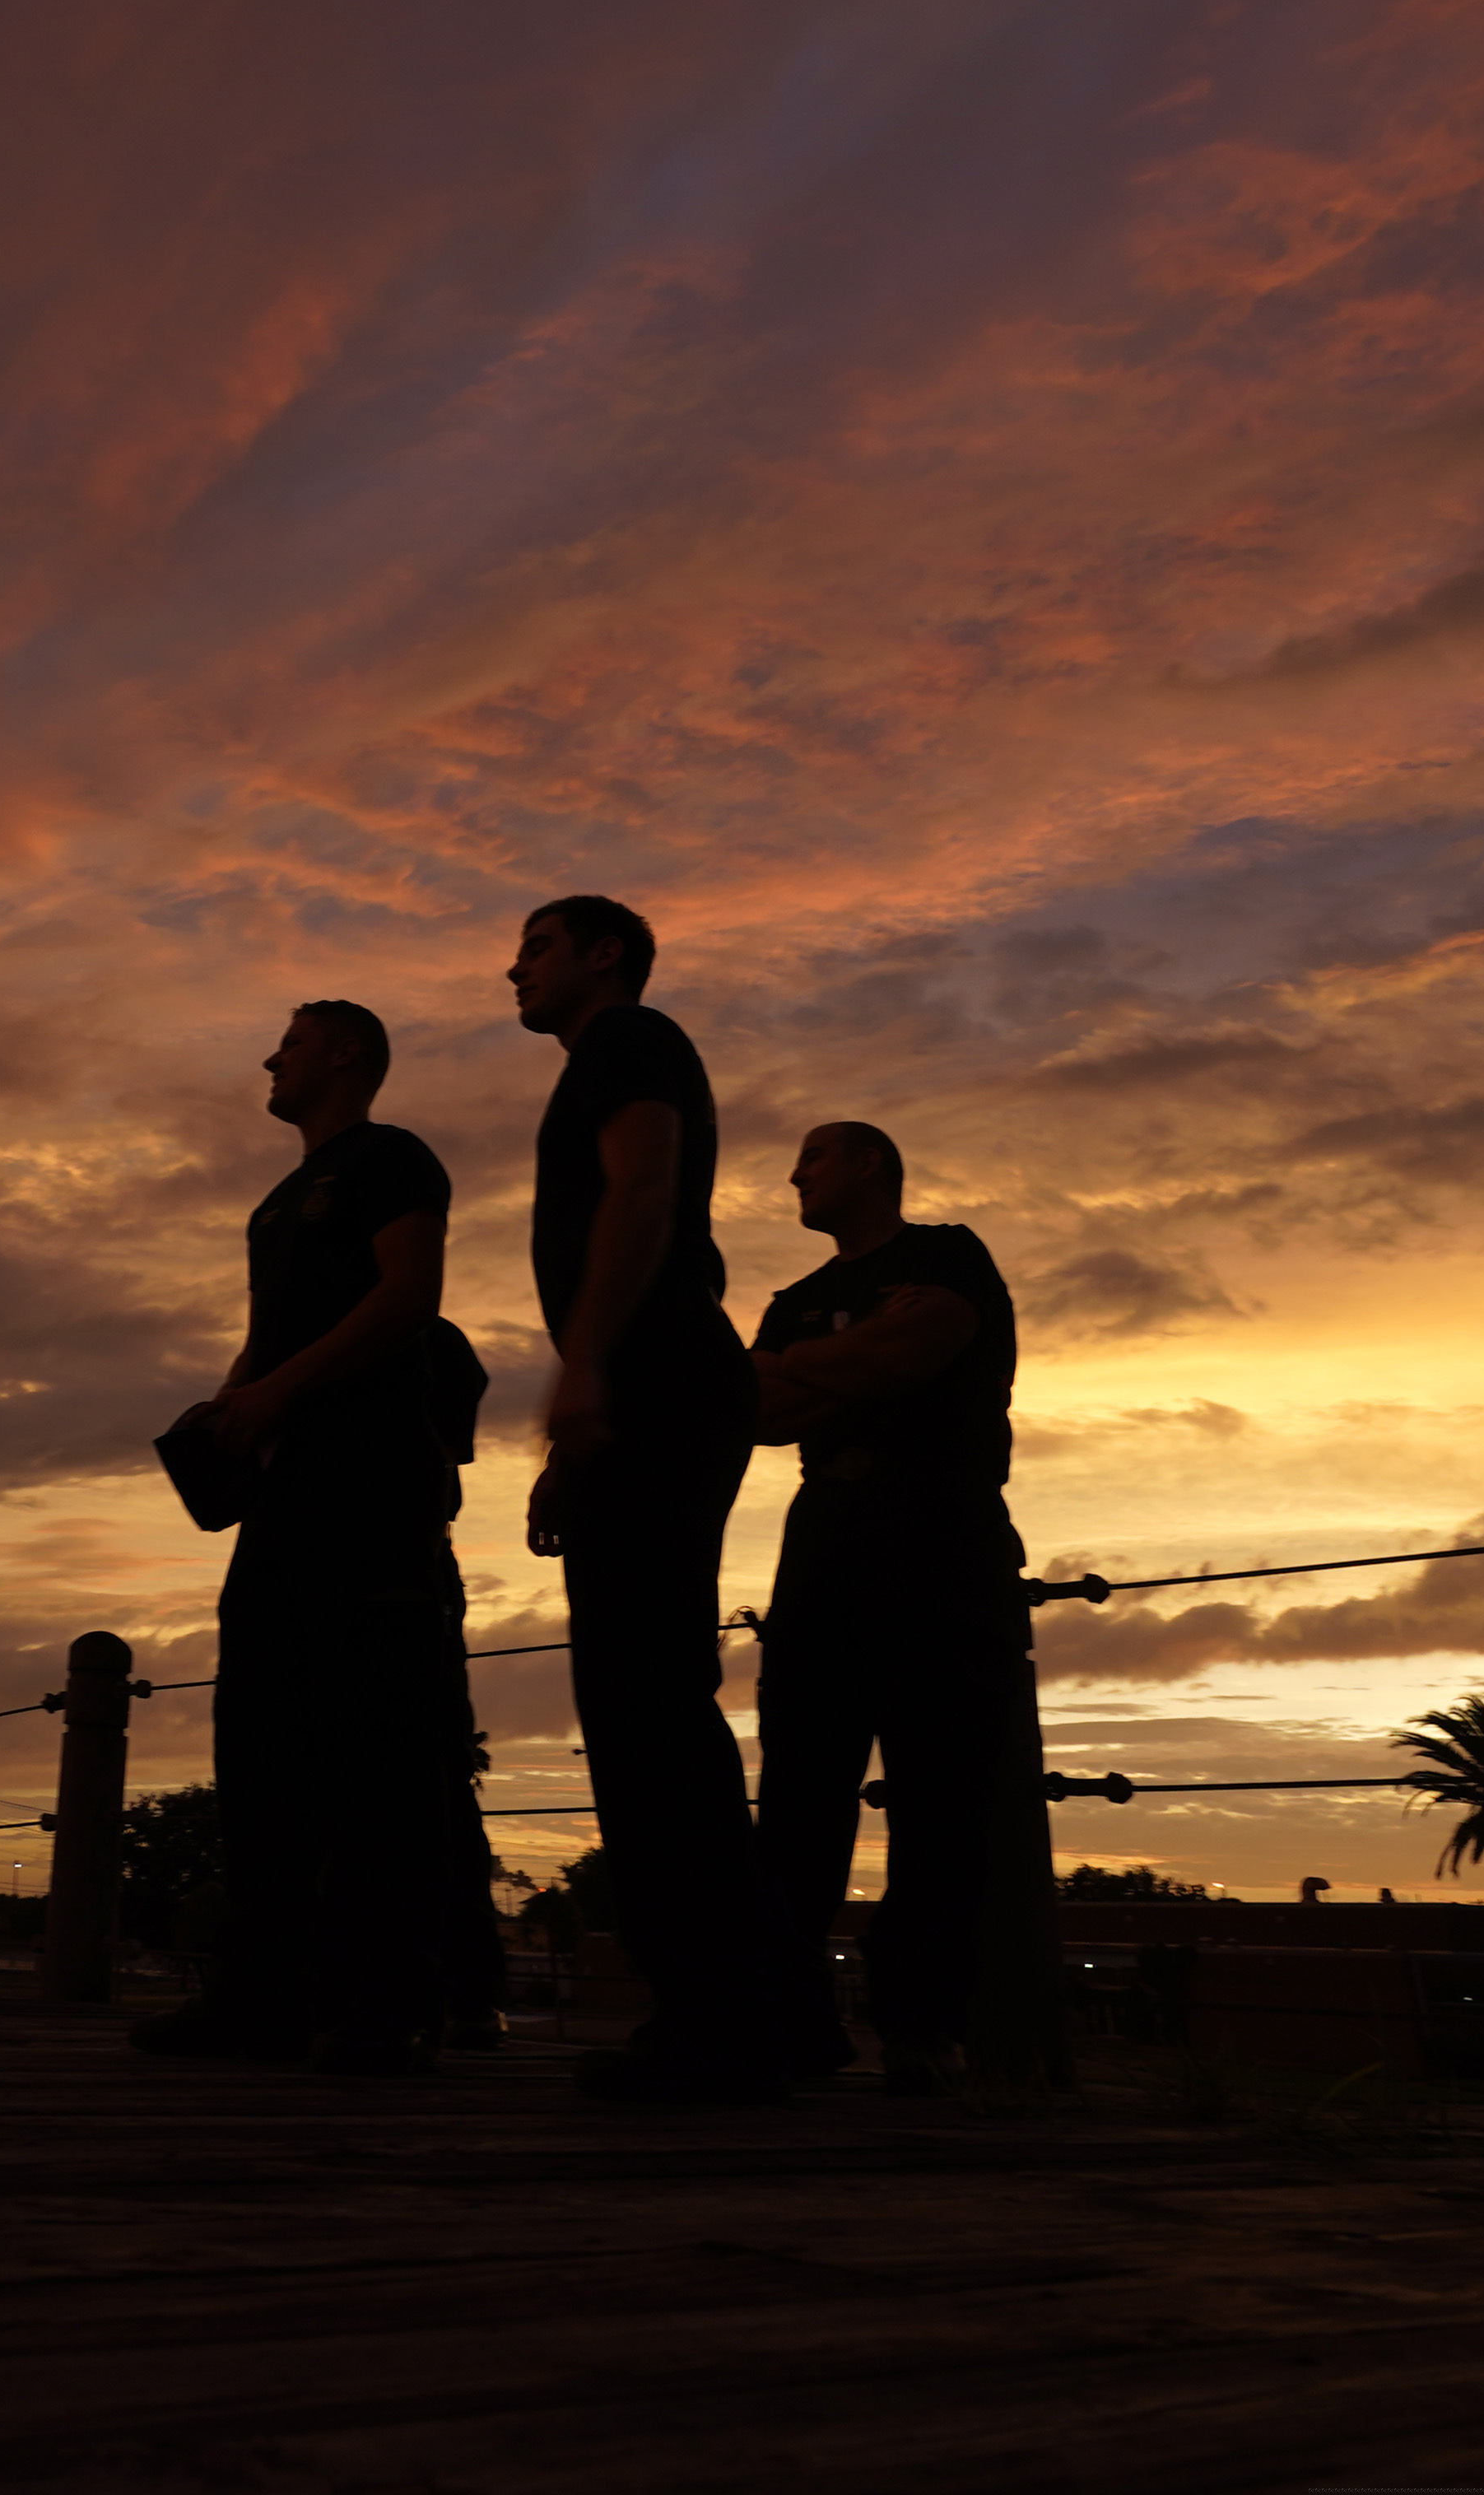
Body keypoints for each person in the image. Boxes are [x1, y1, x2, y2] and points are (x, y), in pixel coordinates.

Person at [135, 1000, 481, 2075]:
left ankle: (389, 2004)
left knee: (379, 1738)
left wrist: (279, 1390)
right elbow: (265, 1336)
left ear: (343, 1054)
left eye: (286, 1040)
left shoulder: (390, 1159)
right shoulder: (275, 1205)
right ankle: (262, 1995)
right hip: (285, 1493)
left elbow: (411, 1297)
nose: (269, 1057)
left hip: (374, 1478)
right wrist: (230, 1405)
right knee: (260, 1734)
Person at [511, 894, 795, 2102]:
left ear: (603, 954)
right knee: (642, 1699)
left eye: (535, 947)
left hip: (663, 1380)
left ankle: (725, 2027)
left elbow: (643, 1196)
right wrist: (573, 1444)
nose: (512, 969)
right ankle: (746, 2013)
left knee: (647, 1703)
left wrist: (583, 1366)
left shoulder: (633, 1042)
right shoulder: (610, 1057)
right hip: (651, 1391)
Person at [746, 1120, 1024, 2092]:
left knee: (943, 1787)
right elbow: (759, 1411)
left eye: (814, 1157)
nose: (794, 1174)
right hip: (826, 1542)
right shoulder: (795, 1299)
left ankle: (924, 2025)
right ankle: (784, 2015)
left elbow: (916, 1350)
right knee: (799, 1789)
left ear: (869, 1163)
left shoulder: (947, 1255)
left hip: (941, 1533)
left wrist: (817, 1367)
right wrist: (863, 1359)